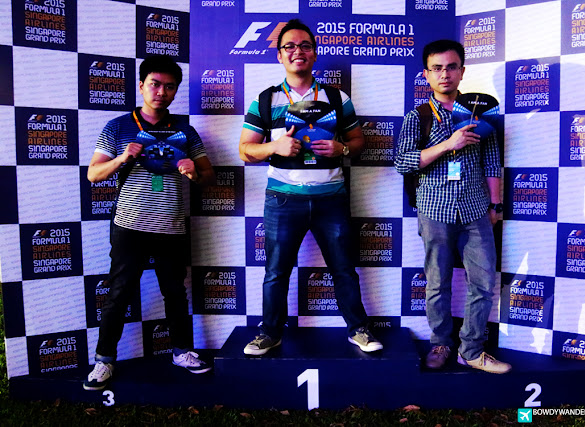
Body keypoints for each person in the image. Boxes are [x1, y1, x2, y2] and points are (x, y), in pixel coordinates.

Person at [239, 19, 382, 355]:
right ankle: (269, 333)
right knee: (276, 273)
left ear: (314, 54)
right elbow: (245, 150)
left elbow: (358, 141)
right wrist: (274, 147)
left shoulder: (336, 97)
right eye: (289, 46)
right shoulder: (266, 99)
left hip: (331, 199)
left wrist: (341, 149)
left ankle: (359, 330)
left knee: (343, 269)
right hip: (283, 200)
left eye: (305, 45)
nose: (297, 51)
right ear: (279, 55)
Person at [83, 55, 214, 391]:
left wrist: (193, 172)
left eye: (169, 87)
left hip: (171, 226)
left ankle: (182, 352)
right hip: (130, 226)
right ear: (141, 86)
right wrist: (123, 157)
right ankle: (104, 361)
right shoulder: (118, 127)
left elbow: (207, 176)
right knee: (119, 293)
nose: (161, 92)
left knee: (175, 293)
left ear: (175, 91)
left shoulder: (184, 130)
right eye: (155, 84)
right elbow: (94, 174)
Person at [394, 40, 511, 374]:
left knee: (483, 283)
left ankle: (471, 350)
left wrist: (496, 204)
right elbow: (403, 162)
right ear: (426, 74)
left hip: (476, 209)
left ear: (462, 71)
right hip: (434, 209)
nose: (444, 74)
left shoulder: (480, 112)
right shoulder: (418, 117)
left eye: (451, 67)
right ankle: (440, 343)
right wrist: (448, 144)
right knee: (437, 283)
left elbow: (492, 161)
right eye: (437, 68)